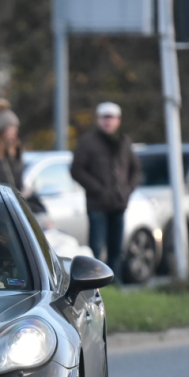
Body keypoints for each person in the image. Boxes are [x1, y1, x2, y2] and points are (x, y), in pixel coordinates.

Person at [70, 101, 141, 276]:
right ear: (98, 120)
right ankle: (95, 281)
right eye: (104, 118)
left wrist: (127, 190)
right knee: (96, 246)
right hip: (97, 204)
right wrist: (97, 189)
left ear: (119, 120)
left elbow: (136, 170)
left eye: (112, 118)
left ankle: (114, 280)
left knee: (116, 247)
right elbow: (76, 170)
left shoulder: (124, 142)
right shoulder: (88, 142)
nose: (108, 122)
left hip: (118, 204)